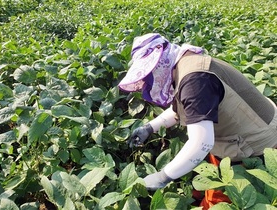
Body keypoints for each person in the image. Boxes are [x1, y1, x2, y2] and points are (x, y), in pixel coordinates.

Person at [118, 33, 277, 191]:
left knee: (226, 197)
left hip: (257, 145)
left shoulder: (195, 81)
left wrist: (163, 177)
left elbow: (201, 143)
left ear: (160, 63)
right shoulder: (186, 63)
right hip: (252, 126)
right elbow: (186, 108)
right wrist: (150, 127)